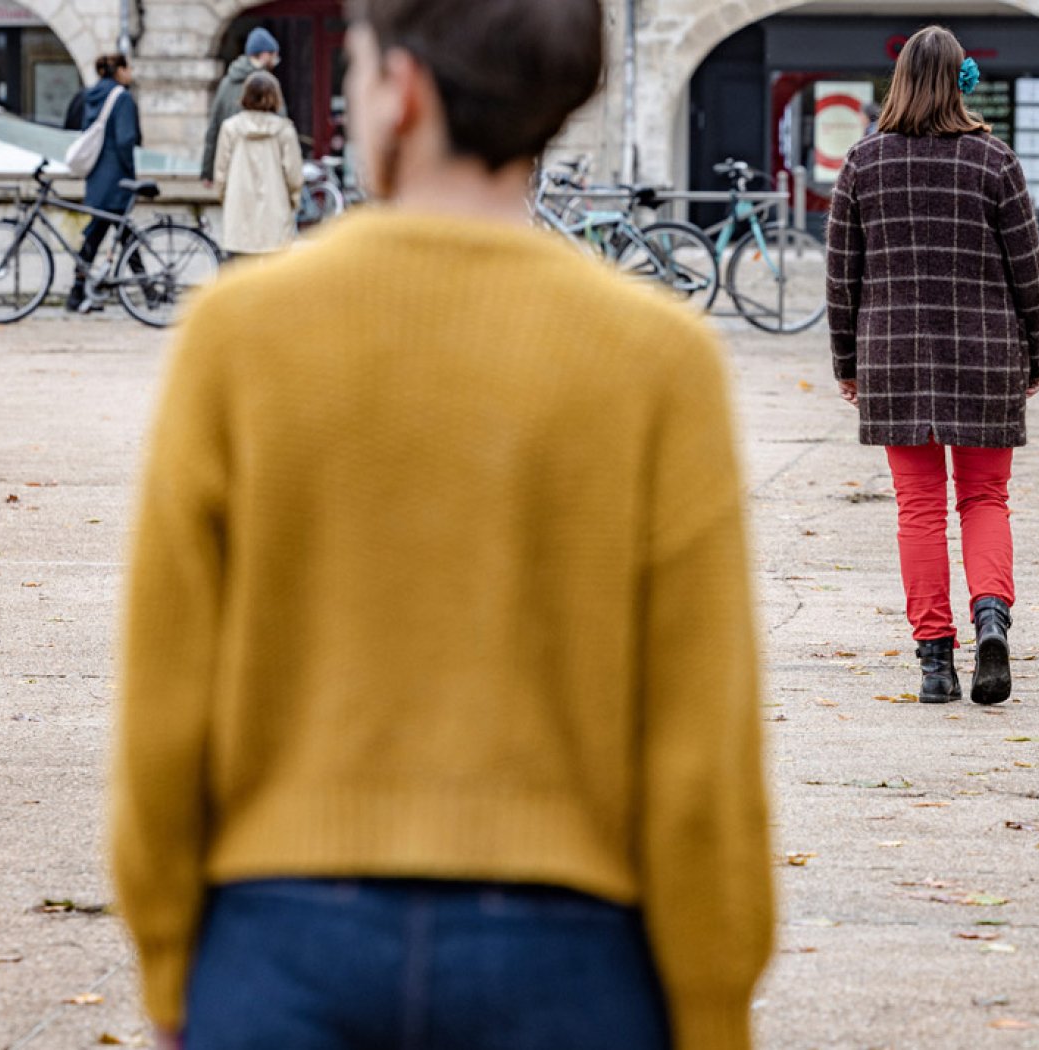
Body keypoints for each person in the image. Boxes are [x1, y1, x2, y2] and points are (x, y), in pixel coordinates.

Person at [112, 0, 773, 1048]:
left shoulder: (236, 338)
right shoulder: (658, 360)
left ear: (402, 90)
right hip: (572, 946)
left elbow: (164, 697)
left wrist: (168, 955)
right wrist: (708, 1000)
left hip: (277, 931)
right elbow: (700, 739)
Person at [827, 25, 1039, 707]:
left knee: (918, 508)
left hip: (893, 356)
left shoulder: (863, 162)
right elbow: (1028, 273)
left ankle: (934, 663)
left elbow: (843, 277)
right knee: (985, 498)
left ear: (897, 82)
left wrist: (847, 362)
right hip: (985, 353)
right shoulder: (994, 160)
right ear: (963, 80)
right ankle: (991, 619)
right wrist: (1036, 355)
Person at [69, 53, 141, 311]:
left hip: (97, 177)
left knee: (98, 235)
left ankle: (77, 292)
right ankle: (149, 291)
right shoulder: (121, 98)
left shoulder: (91, 95)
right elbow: (125, 139)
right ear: (119, 70)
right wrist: (131, 172)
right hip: (117, 177)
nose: (131, 72)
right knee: (121, 235)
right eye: (128, 67)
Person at [213, 72, 305, 258]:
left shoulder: (230, 128)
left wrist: (225, 197)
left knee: (238, 274)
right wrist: (294, 201)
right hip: (276, 208)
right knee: (276, 276)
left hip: (239, 207)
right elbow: (294, 175)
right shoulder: (284, 129)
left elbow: (221, 172)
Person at [201, 27, 282, 186]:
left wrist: (208, 172)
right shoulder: (269, 85)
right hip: (265, 168)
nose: (276, 60)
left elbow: (214, 129)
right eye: (274, 55)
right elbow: (281, 122)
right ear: (265, 54)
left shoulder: (226, 83)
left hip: (234, 167)